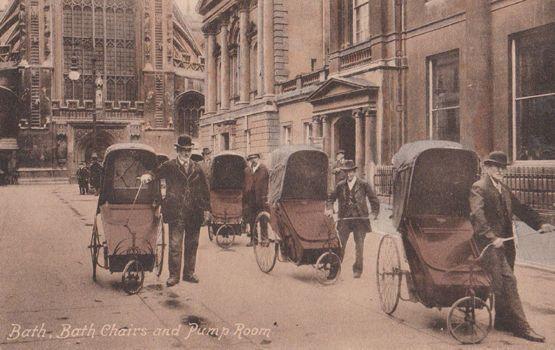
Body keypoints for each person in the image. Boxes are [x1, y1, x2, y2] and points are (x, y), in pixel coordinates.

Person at [469, 151, 555, 343]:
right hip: (488, 245)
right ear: (487, 168)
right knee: (509, 281)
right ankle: (522, 327)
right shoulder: (479, 187)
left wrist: (540, 223)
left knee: (501, 281)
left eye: (502, 168)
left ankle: (502, 320)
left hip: (505, 245)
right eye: (496, 167)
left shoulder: (504, 188)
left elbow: (521, 208)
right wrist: (492, 238)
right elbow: (477, 216)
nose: (500, 171)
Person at [140, 134, 210, 287]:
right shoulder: (170, 165)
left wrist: (206, 210)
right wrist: (148, 176)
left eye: (189, 150)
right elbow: (156, 173)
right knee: (175, 245)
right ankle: (173, 275)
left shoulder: (197, 168)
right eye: (184, 150)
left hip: (194, 212)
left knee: (192, 244)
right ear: (178, 150)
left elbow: (205, 190)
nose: (186, 153)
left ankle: (189, 273)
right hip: (176, 211)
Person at [325, 160, 379, 278]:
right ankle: (334, 271)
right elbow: (330, 198)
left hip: (360, 219)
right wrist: (329, 208)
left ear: (355, 172)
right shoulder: (340, 185)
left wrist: (374, 213)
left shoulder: (363, 184)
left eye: (351, 172)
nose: (349, 174)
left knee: (359, 246)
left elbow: (373, 199)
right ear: (345, 173)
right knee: (339, 245)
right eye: (347, 172)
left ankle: (357, 270)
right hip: (344, 219)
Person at [244, 153, 269, 247]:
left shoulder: (264, 169)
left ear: (258, 159)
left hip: (261, 198)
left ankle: (264, 240)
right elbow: (245, 184)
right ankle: (253, 240)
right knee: (252, 220)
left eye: (255, 158)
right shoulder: (247, 170)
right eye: (251, 159)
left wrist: (266, 197)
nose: (253, 160)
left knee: (263, 219)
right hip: (251, 199)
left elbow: (267, 185)